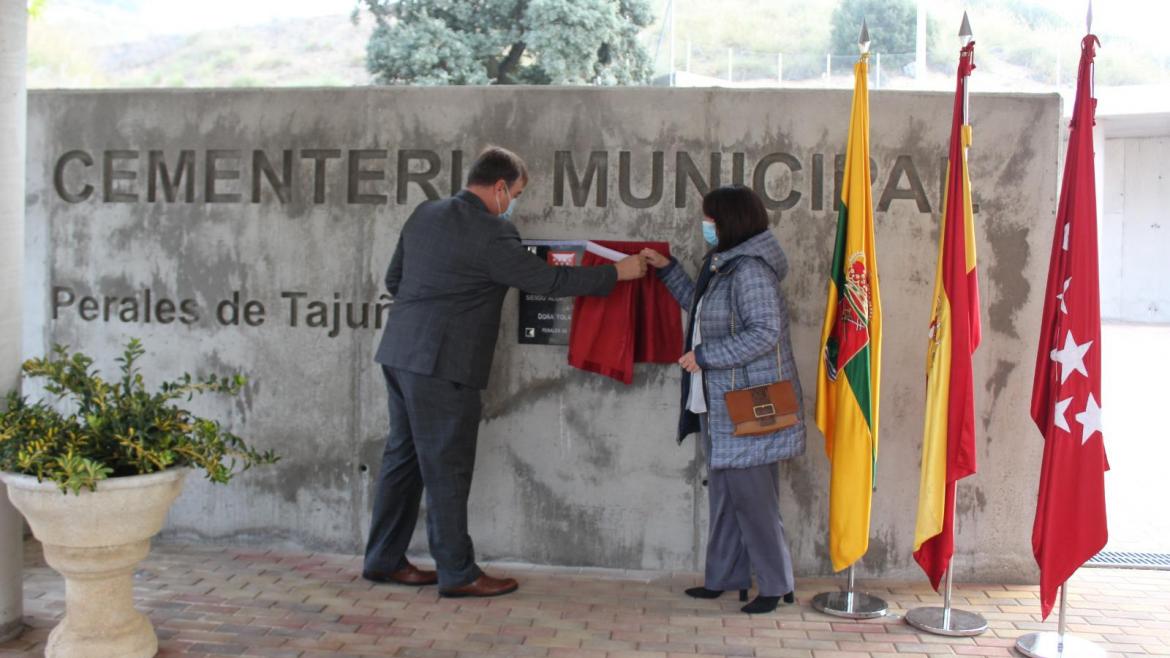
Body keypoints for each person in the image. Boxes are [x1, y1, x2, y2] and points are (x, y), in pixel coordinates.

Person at [364, 146, 647, 598]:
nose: (514, 202)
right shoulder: (493, 233)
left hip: (400, 354)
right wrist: (618, 273)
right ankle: (457, 573)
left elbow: (395, 281)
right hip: (444, 365)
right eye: (515, 193)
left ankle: (382, 558)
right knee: (446, 470)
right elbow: (549, 282)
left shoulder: (426, 213)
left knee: (404, 460)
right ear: (499, 188)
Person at [641, 185, 806, 615]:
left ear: (729, 221)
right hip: (721, 402)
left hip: (747, 403)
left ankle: (775, 586)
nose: (705, 226)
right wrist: (668, 269)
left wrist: (706, 356)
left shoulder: (750, 270)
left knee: (753, 499)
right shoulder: (725, 266)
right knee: (727, 496)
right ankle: (725, 578)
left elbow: (764, 332)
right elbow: (699, 310)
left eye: (709, 219)